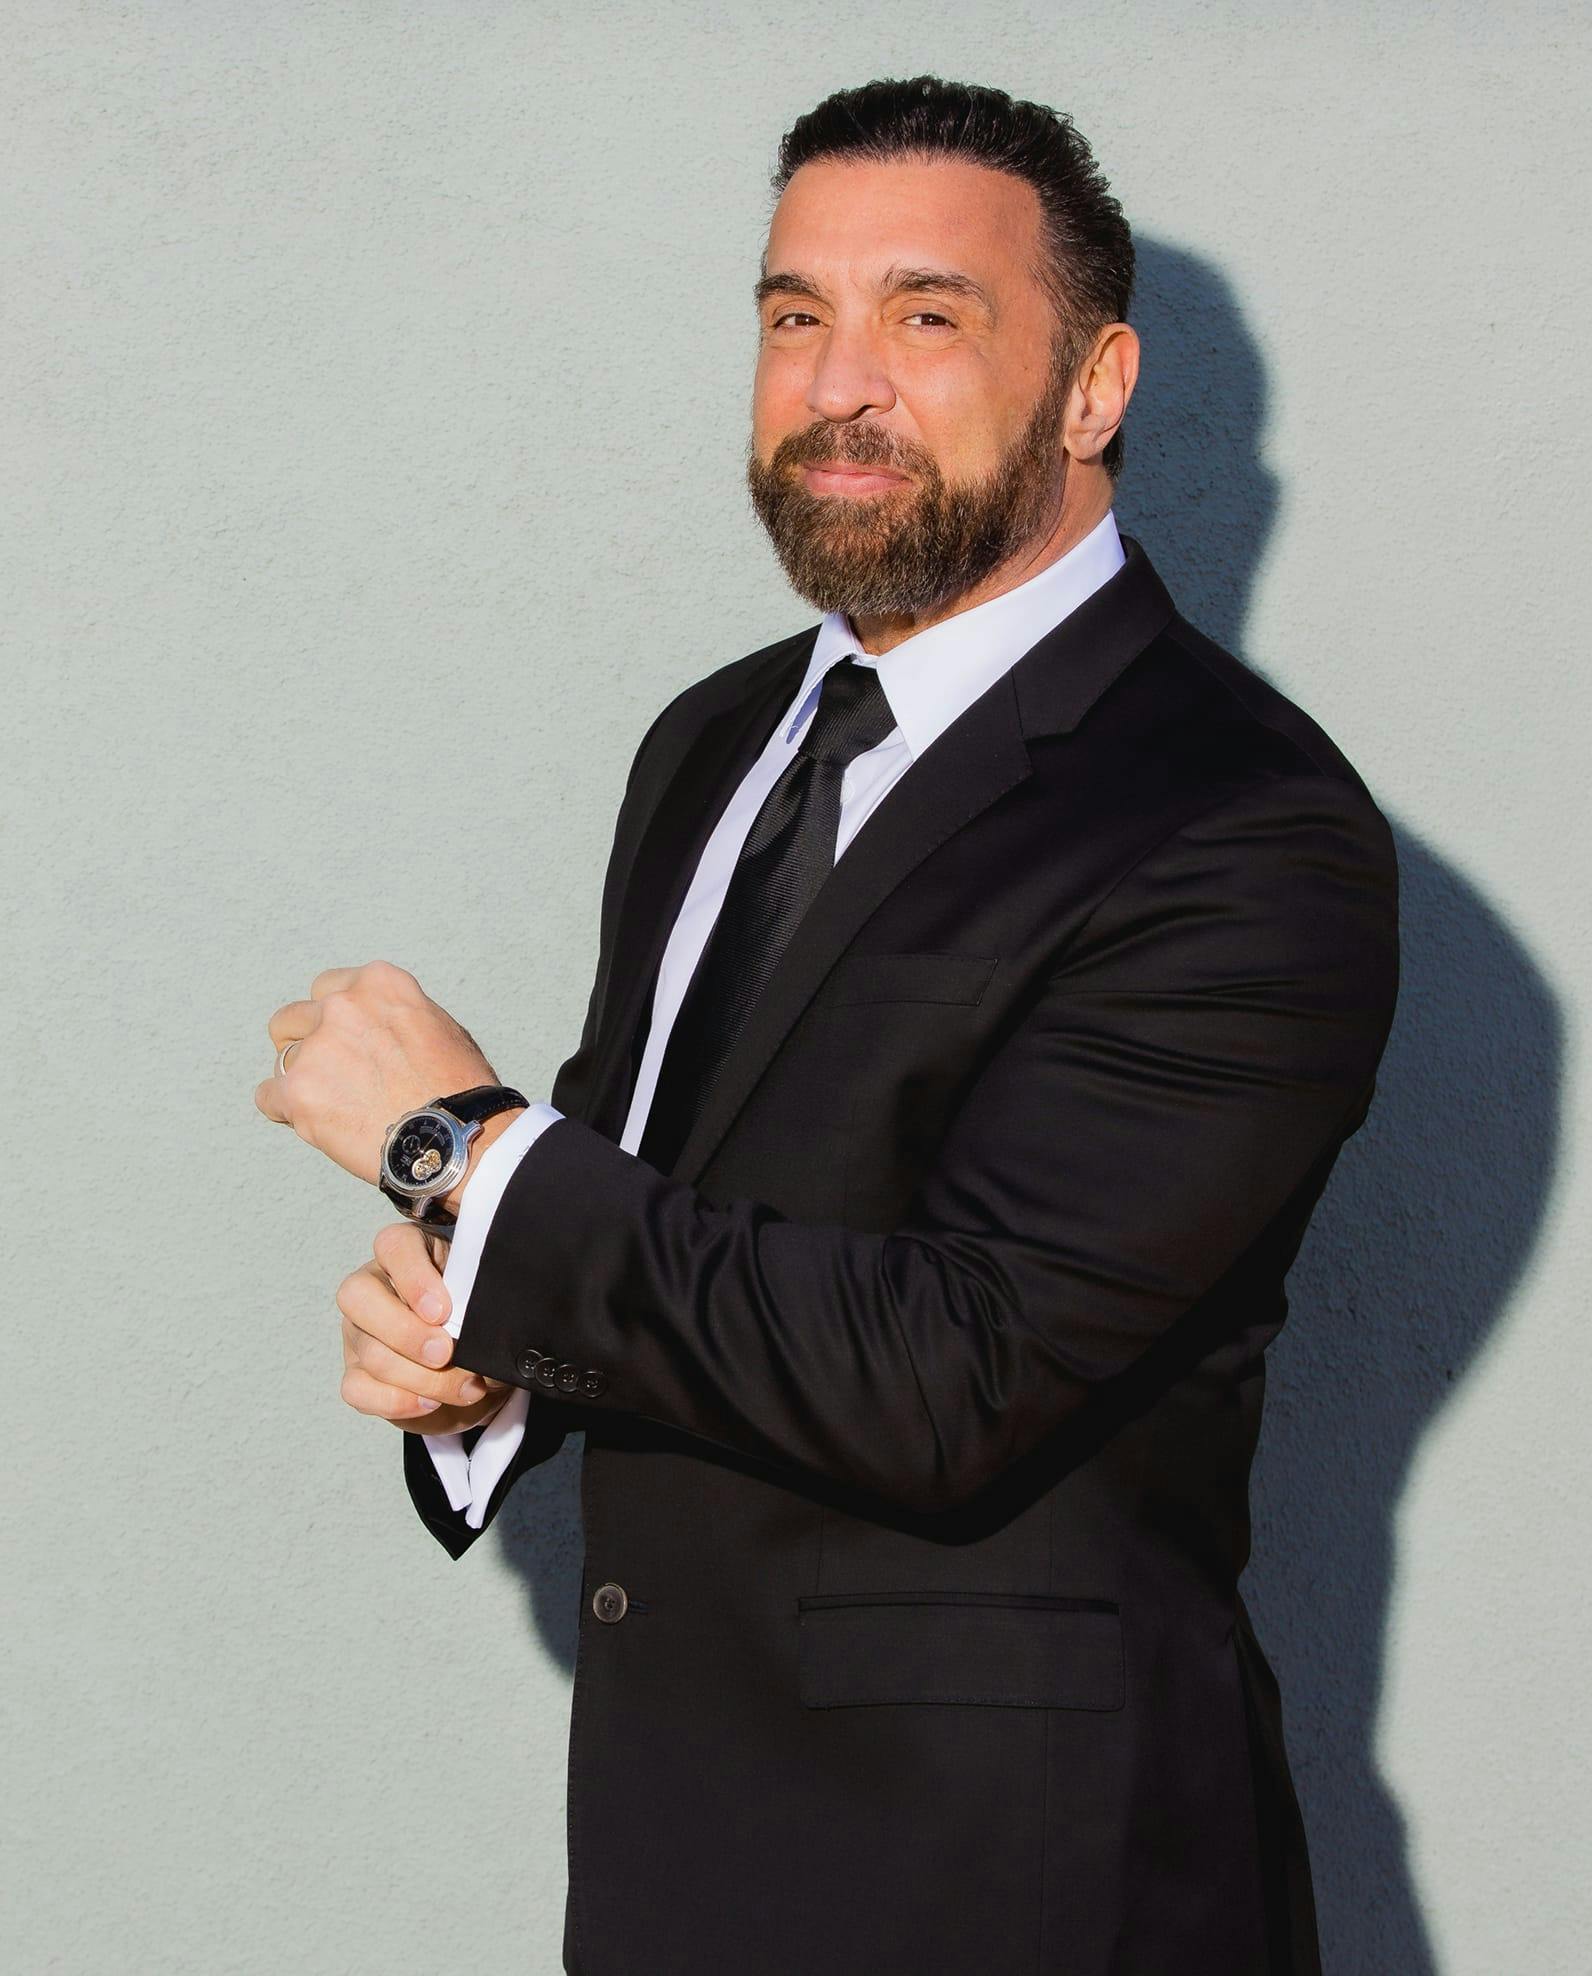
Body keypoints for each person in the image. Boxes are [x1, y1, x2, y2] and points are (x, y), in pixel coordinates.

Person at [257, 74, 1399, 1976]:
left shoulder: (1243, 827)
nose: (836, 381)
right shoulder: (717, 740)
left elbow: (958, 1367)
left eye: (926, 315)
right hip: (670, 1870)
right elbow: (663, 1216)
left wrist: (461, 1154)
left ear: (1097, 387)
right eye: (797, 315)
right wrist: (492, 1347)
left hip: (1025, 1899)